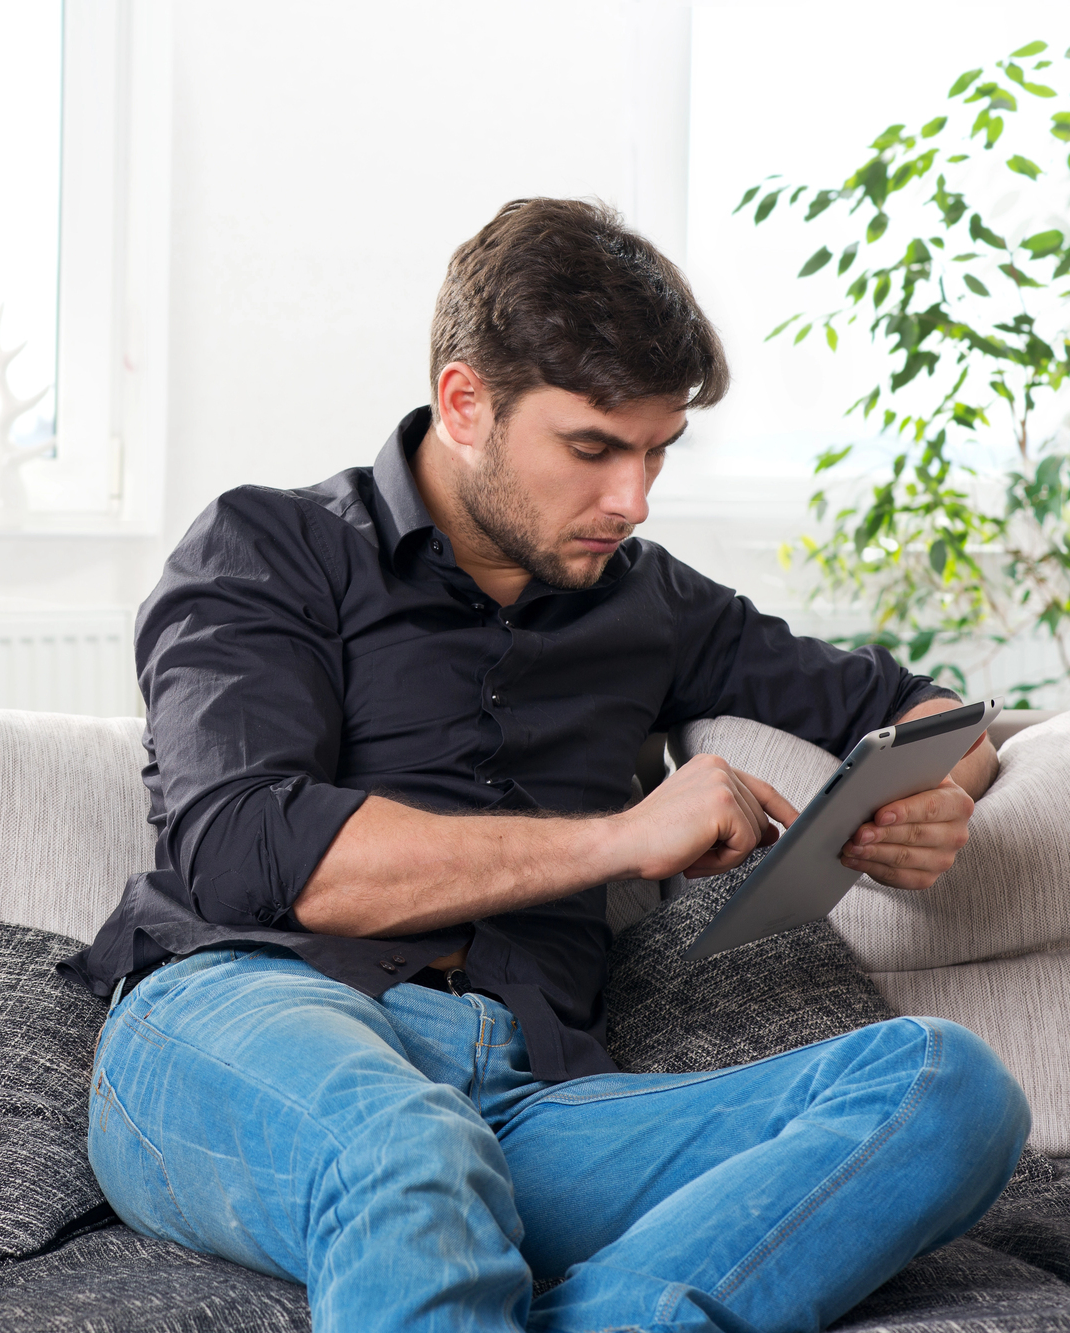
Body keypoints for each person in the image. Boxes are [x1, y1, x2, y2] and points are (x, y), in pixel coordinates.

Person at [63, 198, 1030, 1333]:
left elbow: (935, 714)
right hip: (242, 1024)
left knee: (944, 1087)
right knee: (406, 1149)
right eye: (591, 448)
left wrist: (931, 795)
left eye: (656, 451)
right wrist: (623, 837)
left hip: (528, 1102)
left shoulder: (652, 601)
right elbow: (244, 852)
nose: (631, 499)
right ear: (464, 401)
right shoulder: (266, 547)